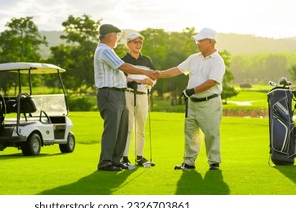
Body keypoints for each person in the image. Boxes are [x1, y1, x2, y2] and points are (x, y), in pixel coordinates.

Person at [158, 28, 225, 171]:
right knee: (190, 132)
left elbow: (212, 81)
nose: (197, 43)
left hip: (209, 102)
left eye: (200, 41)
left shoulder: (218, 61)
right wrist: (158, 74)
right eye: (197, 40)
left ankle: (214, 163)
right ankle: (189, 162)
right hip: (192, 102)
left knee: (211, 133)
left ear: (210, 42)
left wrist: (191, 90)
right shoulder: (193, 58)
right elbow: (177, 70)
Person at [94, 24, 159, 172]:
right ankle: (105, 162)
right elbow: (124, 67)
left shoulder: (109, 50)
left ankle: (116, 161)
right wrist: (147, 74)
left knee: (121, 129)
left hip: (118, 93)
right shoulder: (104, 50)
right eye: (116, 35)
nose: (117, 38)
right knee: (112, 129)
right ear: (110, 35)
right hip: (110, 93)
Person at [121, 32, 156, 167]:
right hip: (128, 94)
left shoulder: (147, 60)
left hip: (143, 95)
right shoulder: (122, 60)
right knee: (128, 127)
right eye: (135, 42)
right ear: (128, 44)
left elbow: (154, 76)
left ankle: (139, 157)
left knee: (141, 128)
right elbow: (121, 78)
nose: (138, 45)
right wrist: (136, 80)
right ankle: (124, 158)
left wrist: (151, 82)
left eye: (140, 42)